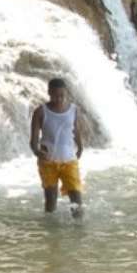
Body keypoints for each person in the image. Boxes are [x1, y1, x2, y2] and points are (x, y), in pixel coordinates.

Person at [29, 77, 84, 218]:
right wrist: (37, 152)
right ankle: (51, 232)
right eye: (55, 95)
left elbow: (75, 130)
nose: (58, 99)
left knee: (76, 197)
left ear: (66, 93)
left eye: (62, 96)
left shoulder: (73, 110)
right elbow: (33, 141)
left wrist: (81, 147)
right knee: (50, 199)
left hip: (69, 160)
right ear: (49, 93)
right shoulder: (40, 112)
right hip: (48, 162)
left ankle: (79, 230)